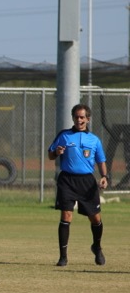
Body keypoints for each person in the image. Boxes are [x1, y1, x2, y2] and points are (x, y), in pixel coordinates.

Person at [48, 103, 108, 267]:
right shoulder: (64, 135)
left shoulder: (94, 140)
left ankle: (97, 247)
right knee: (66, 216)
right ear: (73, 118)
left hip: (87, 182)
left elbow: (101, 160)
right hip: (67, 180)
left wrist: (104, 176)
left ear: (87, 119)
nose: (79, 120)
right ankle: (63, 257)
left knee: (95, 218)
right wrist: (57, 153)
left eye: (82, 117)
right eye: (76, 117)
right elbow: (50, 155)